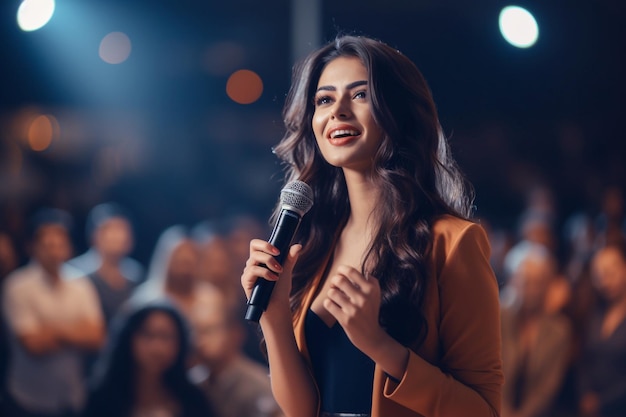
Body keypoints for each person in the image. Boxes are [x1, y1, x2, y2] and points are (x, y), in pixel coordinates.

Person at [240, 35, 503, 417]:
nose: (338, 112)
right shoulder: (314, 242)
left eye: (360, 95)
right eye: (325, 100)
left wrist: (379, 345)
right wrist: (274, 317)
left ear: (399, 114)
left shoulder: (453, 242)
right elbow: (302, 408)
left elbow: (484, 410)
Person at [2, 208, 105, 417]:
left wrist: (51, 330)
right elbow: (34, 345)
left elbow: (97, 338)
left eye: (60, 244)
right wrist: (76, 332)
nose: (55, 251)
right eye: (48, 244)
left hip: (71, 397)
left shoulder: (81, 284)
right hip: (28, 399)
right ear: (32, 247)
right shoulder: (17, 286)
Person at [82, 300, 214, 417]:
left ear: (180, 344)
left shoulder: (192, 400)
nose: (157, 347)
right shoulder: (102, 399)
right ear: (128, 339)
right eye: (148, 335)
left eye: (166, 337)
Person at [499, 243, 572, 417]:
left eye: (538, 283)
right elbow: (487, 374)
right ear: (513, 281)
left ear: (547, 285)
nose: (531, 290)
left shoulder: (560, 330)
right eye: (525, 281)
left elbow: (548, 386)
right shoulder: (497, 318)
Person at [189, 285, 283, 417]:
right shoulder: (193, 381)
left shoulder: (258, 386)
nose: (199, 340)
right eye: (196, 331)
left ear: (235, 334)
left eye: (209, 331)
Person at [68, 202, 144, 325]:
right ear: (94, 235)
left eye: (122, 229)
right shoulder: (75, 273)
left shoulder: (135, 274)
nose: (118, 236)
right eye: (110, 229)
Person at [577, 243, 626, 417]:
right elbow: (584, 359)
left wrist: (602, 402)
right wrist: (585, 394)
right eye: (600, 275)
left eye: (611, 272)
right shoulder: (594, 313)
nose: (606, 281)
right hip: (590, 406)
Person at [132, 225, 216, 321]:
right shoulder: (147, 298)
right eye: (179, 256)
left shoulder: (210, 299)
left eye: (191, 257)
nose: (186, 259)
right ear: (166, 259)